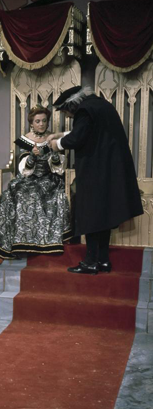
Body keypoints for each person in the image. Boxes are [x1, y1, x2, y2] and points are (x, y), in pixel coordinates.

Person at [48, 86, 143, 274]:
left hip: (95, 171)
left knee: (91, 215)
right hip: (109, 170)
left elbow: (77, 138)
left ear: (72, 105)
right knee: (103, 216)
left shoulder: (84, 110)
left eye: (66, 112)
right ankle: (103, 260)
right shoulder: (101, 105)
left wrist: (56, 144)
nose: (68, 116)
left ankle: (90, 262)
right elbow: (90, 131)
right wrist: (61, 135)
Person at [0, 106, 72, 259]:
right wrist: (32, 157)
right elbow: (25, 170)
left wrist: (53, 151)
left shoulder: (52, 139)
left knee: (42, 194)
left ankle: (45, 242)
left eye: (44, 121)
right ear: (31, 124)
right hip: (28, 178)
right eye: (37, 121)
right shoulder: (26, 140)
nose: (41, 124)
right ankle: (19, 242)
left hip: (49, 178)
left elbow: (58, 169)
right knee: (15, 194)